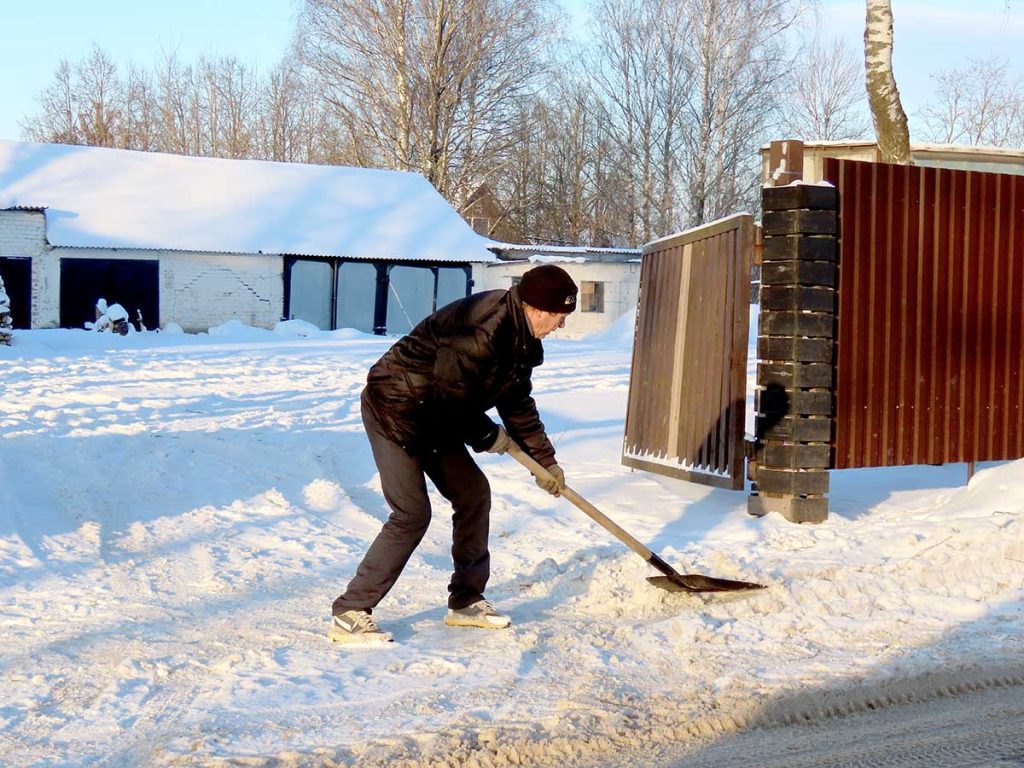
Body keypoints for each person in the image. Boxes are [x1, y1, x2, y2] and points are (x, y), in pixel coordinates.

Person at [329, 264, 578, 645]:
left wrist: (545, 461)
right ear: (538, 309)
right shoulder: (482, 329)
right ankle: (351, 611)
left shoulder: (522, 340)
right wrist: (486, 435)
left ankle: (466, 601)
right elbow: (449, 397)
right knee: (412, 514)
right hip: (396, 408)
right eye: (560, 317)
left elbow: (517, 404)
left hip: (437, 414)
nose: (561, 325)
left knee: (473, 494)